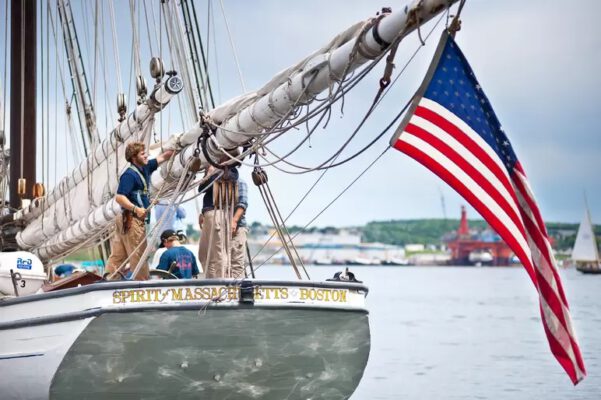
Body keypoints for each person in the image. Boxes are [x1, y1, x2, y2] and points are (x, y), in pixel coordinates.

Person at [106, 141, 173, 280]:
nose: (146, 155)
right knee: (139, 255)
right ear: (133, 157)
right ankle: (142, 286)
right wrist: (136, 209)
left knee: (118, 256)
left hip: (126, 219)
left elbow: (163, 157)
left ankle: (108, 281)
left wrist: (177, 148)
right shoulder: (129, 175)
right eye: (142, 154)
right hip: (132, 220)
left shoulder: (146, 167)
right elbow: (119, 197)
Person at [198, 161, 248, 279]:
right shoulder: (215, 181)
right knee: (206, 255)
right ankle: (212, 283)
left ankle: (228, 287)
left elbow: (242, 204)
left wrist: (234, 221)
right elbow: (203, 189)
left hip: (235, 226)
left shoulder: (239, 182)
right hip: (220, 218)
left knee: (233, 260)